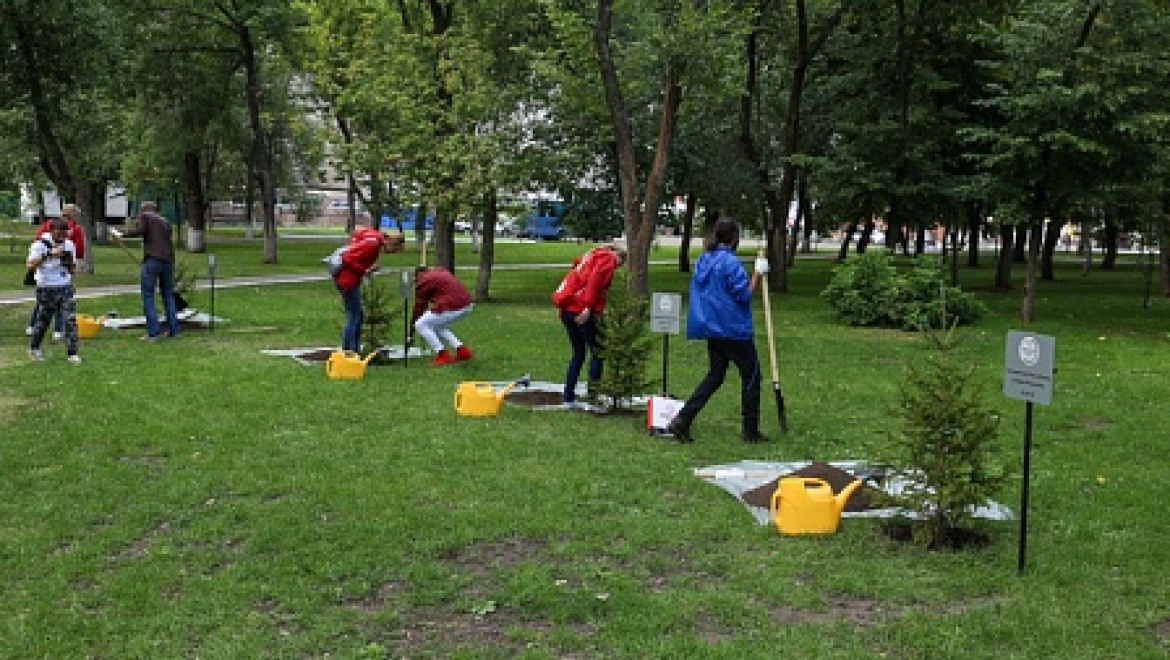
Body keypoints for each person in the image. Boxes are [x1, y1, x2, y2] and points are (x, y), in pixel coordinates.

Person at [668, 219, 771, 444]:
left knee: (715, 376)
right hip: (733, 329)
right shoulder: (730, 263)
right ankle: (750, 430)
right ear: (734, 238)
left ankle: (683, 419)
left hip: (712, 327)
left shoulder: (704, 260)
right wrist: (757, 274)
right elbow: (743, 296)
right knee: (752, 376)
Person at [552, 243, 626, 407]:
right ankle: (593, 396)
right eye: (620, 264)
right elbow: (594, 282)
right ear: (618, 256)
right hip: (582, 310)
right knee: (598, 351)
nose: (616, 268)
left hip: (568, 310)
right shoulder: (607, 259)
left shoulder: (589, 257)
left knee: (578, 352)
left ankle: (569, 395)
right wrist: (588, 307)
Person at [109, 202, 182, 341]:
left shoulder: (146, 216)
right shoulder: (165, 221)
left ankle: (153, 332)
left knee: (148, 295)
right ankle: (174, 330)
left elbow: (140, 230)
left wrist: (121, 234)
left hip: (153, 260)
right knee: (168, 295)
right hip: (168, 261)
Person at [332, 226, 406, 352]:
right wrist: (364, 271)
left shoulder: (372, 236)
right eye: (394, 249)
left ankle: (354, 350)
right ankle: (348, 351)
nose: (391, 252)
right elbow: (347, 258)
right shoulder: (373, 244)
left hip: (347, 278)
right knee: (354, 317)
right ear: (390, 242)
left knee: (357, 315)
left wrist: (366, 269)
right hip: (348, 280)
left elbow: (357, 232)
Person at [26, 204, 87, 339]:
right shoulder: (75, 229)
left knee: (44, 303)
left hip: (52, 275)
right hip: (55, 273)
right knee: (58, 303)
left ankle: (32, 326)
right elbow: (80, 250)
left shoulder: (48, 225)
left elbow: (37, 240)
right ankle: (57, 330)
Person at [27, 218, 81, 363]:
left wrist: (68, 262)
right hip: (46, 287)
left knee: (70, 319)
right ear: (51, 231)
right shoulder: (40, 245)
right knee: (44, 320)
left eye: (66, 231)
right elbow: (30, 265)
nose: (63, 234)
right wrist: (49, 254)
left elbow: (73, 269)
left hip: (65, 286)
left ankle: (72, 353)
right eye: (60, 231)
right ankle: (34, 347)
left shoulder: (69, 245)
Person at [410, 265, 474, 366]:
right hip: (467, 304)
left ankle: (442, 355)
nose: (416, 281)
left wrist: (412, 325)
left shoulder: (424, 281)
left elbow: (419, 306)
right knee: (437, 326)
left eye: (415, 278)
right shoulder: (441, 272)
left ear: (419, 275)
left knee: (420, 324)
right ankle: (462, 351)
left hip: (452, 305)